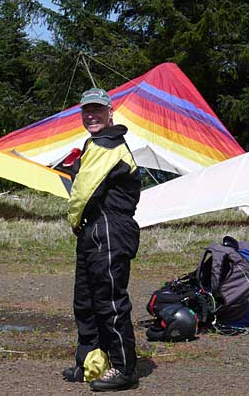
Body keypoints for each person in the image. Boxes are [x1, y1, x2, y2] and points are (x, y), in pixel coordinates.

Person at [62, 87, 141, 391]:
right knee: (85, 302)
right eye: (86, 111)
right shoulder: (94, 143)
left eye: (97, 110)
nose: (91, 115)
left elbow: (83, 191)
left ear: (111, 113)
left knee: (110, 301)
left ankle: (123, 368)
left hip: (110, 230)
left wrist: (72, 220)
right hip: (94, 230)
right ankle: (91, 364)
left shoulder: (109, 144)